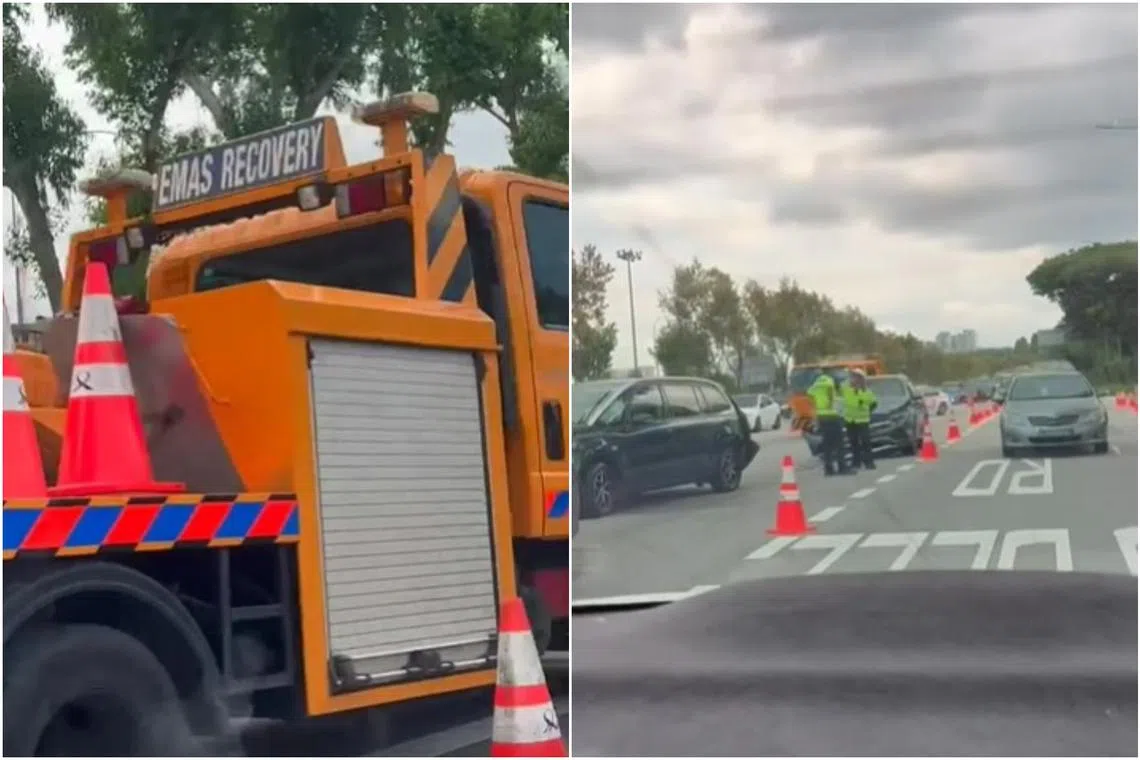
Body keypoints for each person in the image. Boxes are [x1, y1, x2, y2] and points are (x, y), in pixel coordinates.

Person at [808, 370, 851, 476]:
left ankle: (828, 469)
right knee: (839, 443)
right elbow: (832, 395)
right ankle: (842, 467)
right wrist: (832, 405)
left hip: (821, 416)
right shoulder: (830, 382)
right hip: (832, 415)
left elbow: (809, 394)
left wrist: (817, 408)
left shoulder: (815, 384)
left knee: (827, 444)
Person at [842, 369, 878, 470]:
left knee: (865, 442)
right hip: (850, 420)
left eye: (857, 377)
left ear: (861, 379)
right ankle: (856, 463)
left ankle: (869, 462)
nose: (854, 380)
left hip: (862, 420)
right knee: (853, 443)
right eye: (853, 377)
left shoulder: (866, 391)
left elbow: (874, 403)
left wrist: (866, 411)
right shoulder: (846, 389)